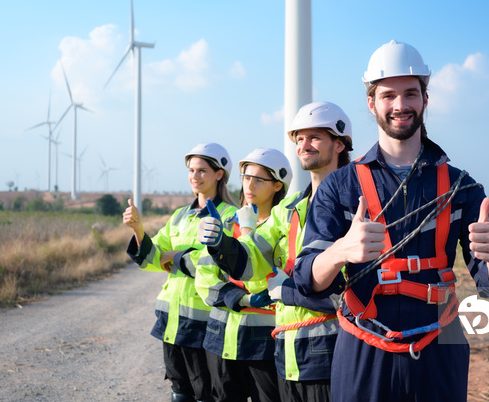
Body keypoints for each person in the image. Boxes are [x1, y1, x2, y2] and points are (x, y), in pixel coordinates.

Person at [293, 41, 489, 402]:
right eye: (388, 95)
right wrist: (341, 250)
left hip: (440, 346)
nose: (400, 105)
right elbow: (307, 280)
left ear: (425, 100)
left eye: (410, 94)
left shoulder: (462, 187)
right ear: (371, 103)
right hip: (363, 346)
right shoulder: (340, 187)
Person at [198, 102, 353, 402]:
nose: (304, 145)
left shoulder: (356, 202)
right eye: (299, 139)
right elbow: (251, 261)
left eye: (314, 137)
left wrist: (289, 292)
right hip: (289, 354)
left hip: (334, 352)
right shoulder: (290, 209)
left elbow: (351, 288)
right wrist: (222, 244)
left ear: (339, 143)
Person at [123, 142, 237, 402]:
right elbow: (152, 259)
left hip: (205, 321)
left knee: (206, 392)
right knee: (179, 391)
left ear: (219, 174)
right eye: (191, 170)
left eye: (202, 171)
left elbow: (221, 263)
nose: (194, 176)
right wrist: (138, 230)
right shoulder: (179, 216)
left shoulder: (230, 216)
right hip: (172, 320)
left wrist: (175, 257)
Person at [195, 148, 292, 402]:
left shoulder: (284, 230)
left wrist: (248, 232)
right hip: (220, 339)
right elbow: (204, 278)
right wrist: (244, 300)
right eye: (245, 177)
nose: (249, 185)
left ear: (277, 186)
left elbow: (268, 275)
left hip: (263, 344)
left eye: (258, 179)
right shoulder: (226, 226)